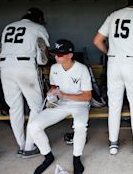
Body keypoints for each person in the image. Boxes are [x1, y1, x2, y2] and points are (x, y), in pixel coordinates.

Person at [93, 0, 133, 155]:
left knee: (114, 105)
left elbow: (97, 40)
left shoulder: (114, 15)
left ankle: (113, 144)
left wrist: (110, 53)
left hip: (114, 62)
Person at [28, 39, 92, 174]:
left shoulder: (82, 69)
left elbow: (87, 96)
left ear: (70, 55)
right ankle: (47, 156)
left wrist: (64, 95)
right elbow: (54, 86)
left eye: (60, 55)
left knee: (80, 125)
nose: (56, 57)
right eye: (55, 54)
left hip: (80, 104)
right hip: (60, 103)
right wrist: (52, 92)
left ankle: (76, 158)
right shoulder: (54, 68)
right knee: (33, 126)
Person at [0, 7, 50, 158]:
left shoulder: (8, 26)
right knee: (36, 106)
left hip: (5, 67)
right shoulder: (37, 27)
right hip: (25, 66)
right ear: (39, 19)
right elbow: (44, 52)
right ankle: (29, 146)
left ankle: (21, 144)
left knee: (14, 107)